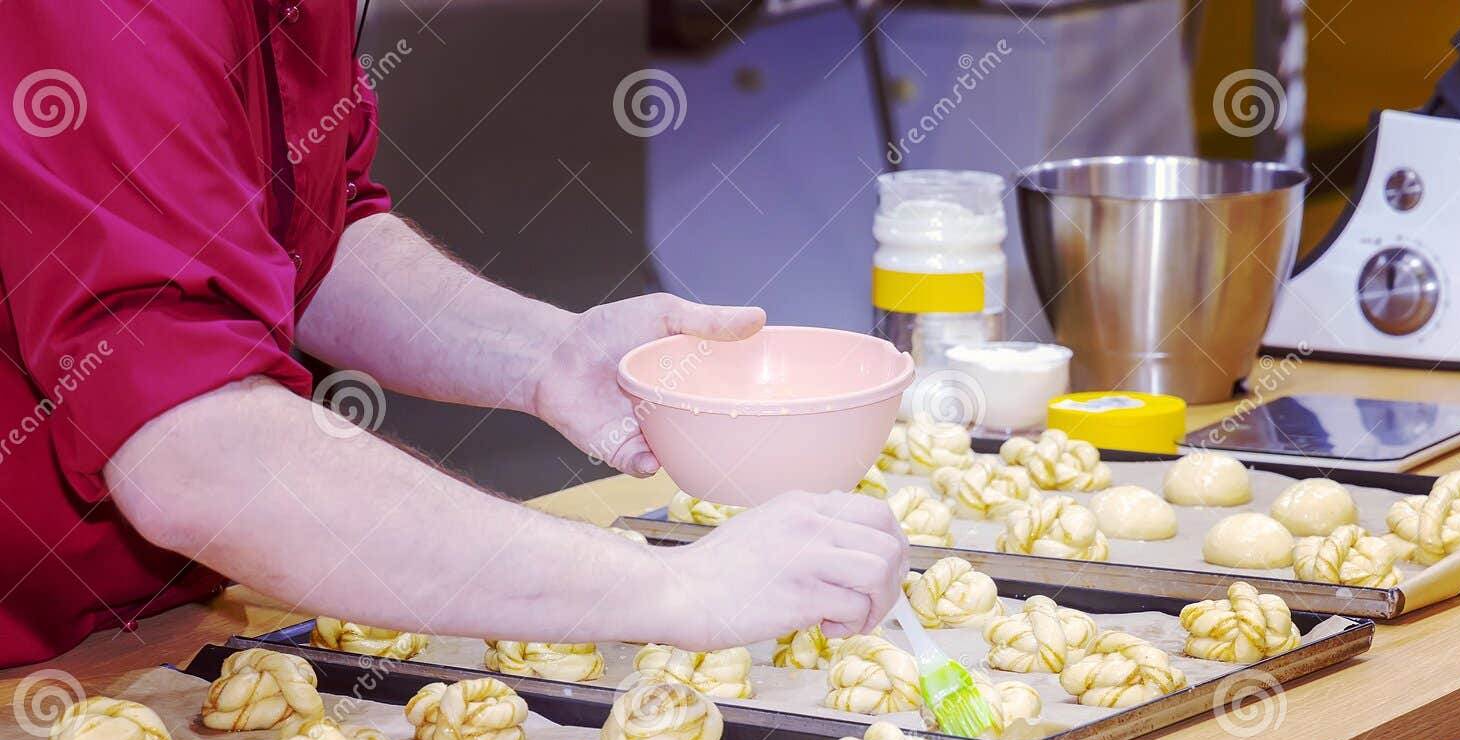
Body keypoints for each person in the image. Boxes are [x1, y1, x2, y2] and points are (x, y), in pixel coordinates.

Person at [0, 1, 906, 667]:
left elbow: (307, 236)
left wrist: (548, 356)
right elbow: (196, 456)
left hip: (148, 630)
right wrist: (673, 588)